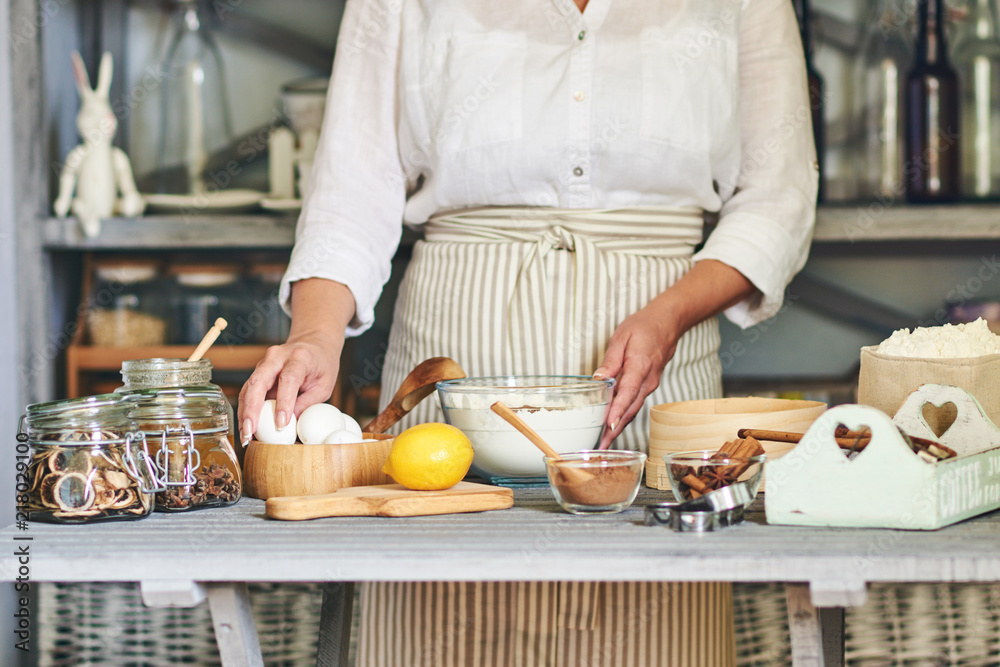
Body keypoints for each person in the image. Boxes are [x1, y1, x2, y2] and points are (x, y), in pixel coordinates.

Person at [239, 0, 818, 664]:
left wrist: (670, 317)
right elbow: (351, 187)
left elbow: (779, 192)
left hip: (655, 388)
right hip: (448, 389)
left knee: (651, 629)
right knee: (437, 631)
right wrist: (315, 335)